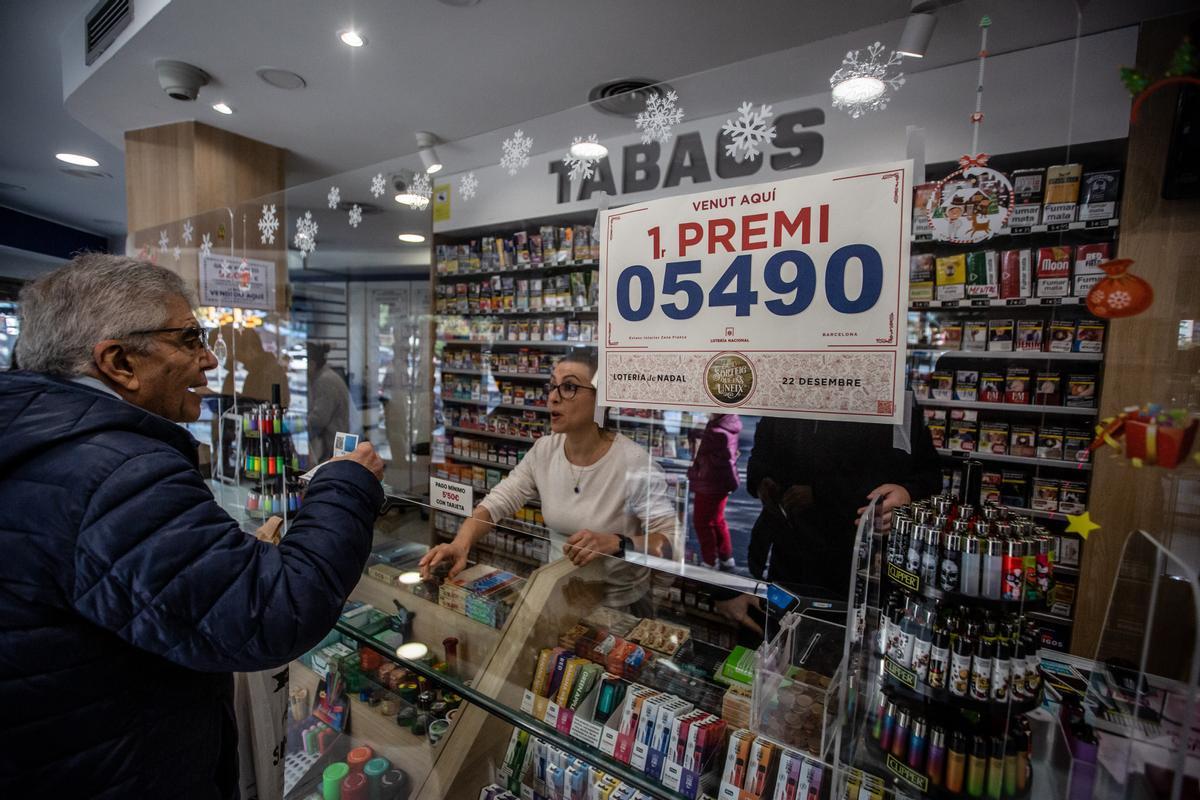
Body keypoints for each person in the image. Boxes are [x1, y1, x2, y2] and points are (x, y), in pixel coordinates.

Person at [0, 254, 385, 799]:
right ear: (118, 361)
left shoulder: (38, 442)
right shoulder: (116, 470)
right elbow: (272, 612)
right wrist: (347, 485)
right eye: (188, 339)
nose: (208, 359)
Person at [420, 350, 676, 611]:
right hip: (558, 595)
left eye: (569, 387)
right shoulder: (544, 450)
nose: (553, 397)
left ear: (601, 398)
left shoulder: (633, 462)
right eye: (553, 386)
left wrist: (617, 543)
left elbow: (670, 540)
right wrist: (460, 543)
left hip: (617, 607)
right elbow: (497, 502)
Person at [744, 406, 941, 600]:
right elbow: (761, 453)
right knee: (784, 622)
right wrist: (761, 480)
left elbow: (929, 476)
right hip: (790, 553)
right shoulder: (788, 394)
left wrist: (907, 494)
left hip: (856, 557)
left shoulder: (889, 395)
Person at [687, 413, 742, 571]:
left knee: (702, 522)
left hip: (710, 481)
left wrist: (697, 425)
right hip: (722, 480)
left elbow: (696, 444)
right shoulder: (728, 424)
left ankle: (710, 561)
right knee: (717, 519)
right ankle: (726, 557)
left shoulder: (715, 431)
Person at [220, 323, 290, 406]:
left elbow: (256, 408)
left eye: (237, 354)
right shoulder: (260, 371)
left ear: (251, 350)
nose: (235, 358)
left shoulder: (268, 373)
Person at [307, 340, 352, 463]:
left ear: (312, 364)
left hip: (336, 447)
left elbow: (319, 419)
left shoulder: (325, 381)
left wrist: (295, 427)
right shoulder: (323, 377)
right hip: (337, 444)